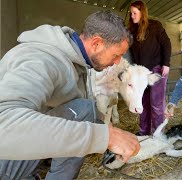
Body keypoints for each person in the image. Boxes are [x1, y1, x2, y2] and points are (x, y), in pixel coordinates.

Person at [0, 10, 140, 179]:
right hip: (5, 158)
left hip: (20, 156)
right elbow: (5, 126)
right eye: (116, 55)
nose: (117, 61)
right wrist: (106, 137)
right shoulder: (41, 59)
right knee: (85, 110)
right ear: (96, 43)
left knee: (89, 112)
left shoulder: (78, 63)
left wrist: (107, 134)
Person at [128, 1, 172, 135]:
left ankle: (158, 133)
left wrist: (166, 63)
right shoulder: (132, 31)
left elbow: (166, 44)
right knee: (143, 102)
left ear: (142, 12)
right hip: (141, 74)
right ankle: (144, 131)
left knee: (156, 103)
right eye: (131, 13)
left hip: (156, 70)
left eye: (135, 13)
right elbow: (131, 53)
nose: (132, 16)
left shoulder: (155, 26)